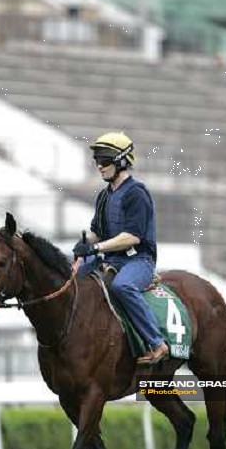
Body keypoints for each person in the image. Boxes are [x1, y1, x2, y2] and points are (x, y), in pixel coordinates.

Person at [73, 132, 169, 365]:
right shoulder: (104, 196)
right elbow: (97, 230)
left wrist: (95, 247)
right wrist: (83, 245)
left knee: (122, 286)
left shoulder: (137, 193)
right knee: (68, 276)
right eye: (96, 161)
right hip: (110, 258)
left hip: (138, 261)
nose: (99, 166)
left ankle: (157, 343)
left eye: (104, 161)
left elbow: (132, 237)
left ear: (122, 161)